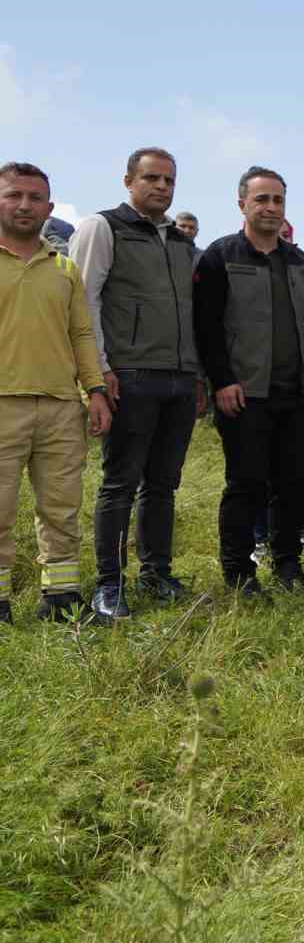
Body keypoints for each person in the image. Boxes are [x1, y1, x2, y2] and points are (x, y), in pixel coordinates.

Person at [73, 147, 204, 620]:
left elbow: (191, 314)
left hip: (179, 379)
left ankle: (157, 573)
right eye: (151, 178)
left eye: (169, 180)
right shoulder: (102, 228)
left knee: (164, 484)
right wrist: (98, 373)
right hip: (128, 376)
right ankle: (109, 585)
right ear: (128, 180)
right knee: (120, 484)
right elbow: (83, 303)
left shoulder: (180, 241)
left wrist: (197, 376)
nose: (162, 187)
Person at [193, 167, 304, 594]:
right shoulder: (220, 255)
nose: (271, 207)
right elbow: (206, 326)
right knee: (246, 483)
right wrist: (222, 381)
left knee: (292, 483)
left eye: (278, 200)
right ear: (242, 205)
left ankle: (288, 567)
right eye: (262, 199)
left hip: (296, 395)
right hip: (244, 394)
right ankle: (239, 573)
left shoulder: (299, 262)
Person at [0, 162, 111, 624]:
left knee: (62, 509)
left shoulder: (65, 269)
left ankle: (61, 598)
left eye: (34, 197)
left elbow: (82, 334)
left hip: (62, 407)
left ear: (48, 206)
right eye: (14, 195)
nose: (25, 204)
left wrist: (96, 391)